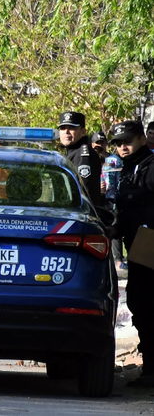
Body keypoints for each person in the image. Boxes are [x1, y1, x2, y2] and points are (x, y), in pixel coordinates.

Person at [107, 120, 154, 387]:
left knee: (146, 301)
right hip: (136, 239)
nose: (122, 147)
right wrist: (116, 228)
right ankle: (149, 364)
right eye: (119, 143)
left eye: (128, 141)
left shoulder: (150, 166)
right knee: (139, 301)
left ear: (142, 139)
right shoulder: (128, 167)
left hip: (149, 239)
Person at [93, 132, 126, 271]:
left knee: (115, 228)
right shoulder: (90, 159)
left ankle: (118, 259)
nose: (100, 145)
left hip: (112, 199)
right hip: (96, 201)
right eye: (97, 143)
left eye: (102, 142)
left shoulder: (114, 160)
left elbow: (120, 179)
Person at [57, 111, 103, 205]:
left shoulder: (83, 155)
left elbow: (84, 191)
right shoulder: (72, 151)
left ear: (83, 132)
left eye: (71, 128)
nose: (66, 132)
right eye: (63, 128)